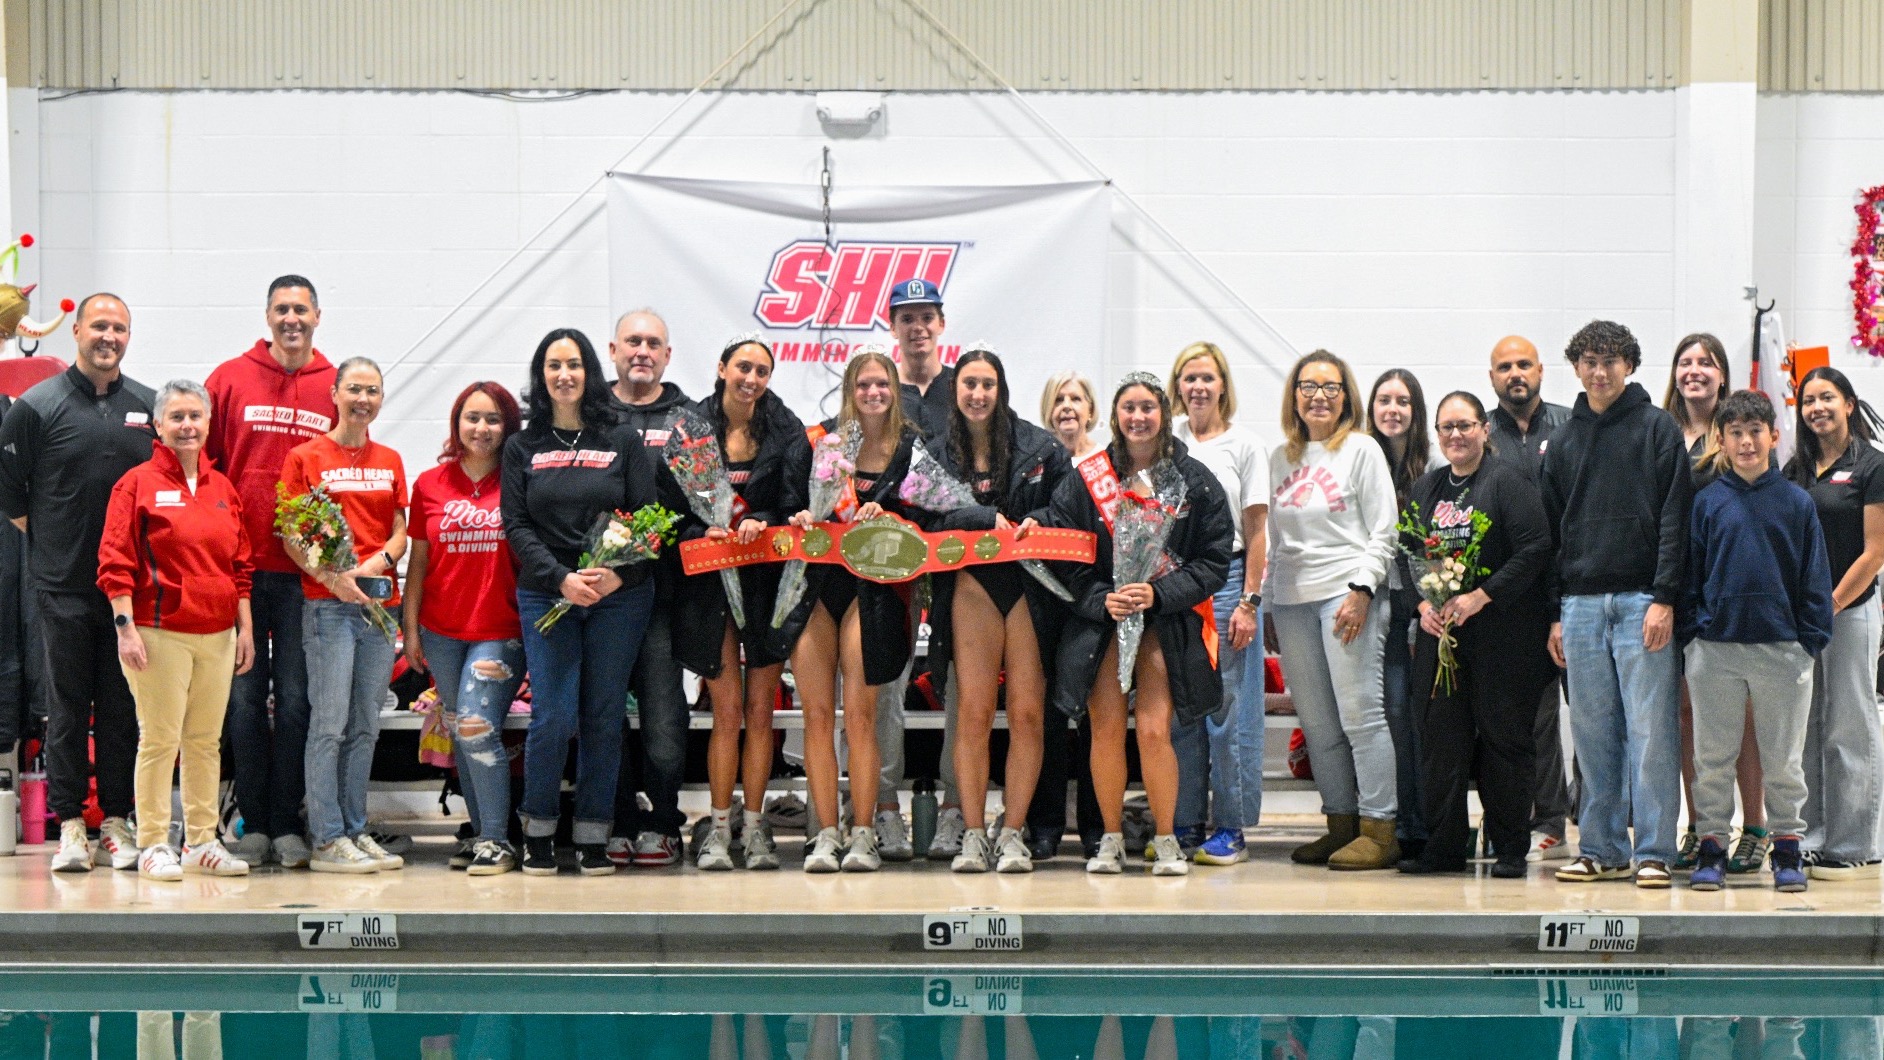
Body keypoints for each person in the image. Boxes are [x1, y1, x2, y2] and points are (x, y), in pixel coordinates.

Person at [1050, 372, 1233, 876]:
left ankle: (1167, 838)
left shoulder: (1194, 480)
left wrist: (1158, 594)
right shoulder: (1085, 478)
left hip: (1164, 623)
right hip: (1104, 623)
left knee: (1155, 731)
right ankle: (1110, 838)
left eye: (1148, 407)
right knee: (1105, 729)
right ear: (1114, 415)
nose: (1138, 417)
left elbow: (1214, 560)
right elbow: (1067, 554)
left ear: (1163, 413)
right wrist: (1098, 598)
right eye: (1129, 408)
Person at [0, 293, 155, 874]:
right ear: (78, 334)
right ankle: (69, 826)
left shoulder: (147, 407)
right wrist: (55, 543)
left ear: (128, 336)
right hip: (61, 587)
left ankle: (116, 821)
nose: (108, 336)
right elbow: (11, 494)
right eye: (98, 326)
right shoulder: (35, 408)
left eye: (119, 327)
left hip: (130, 594)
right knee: (66, 708)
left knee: (121, 709)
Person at [1542, 320, 1692, 889]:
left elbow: (1676, 518)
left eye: (1610, 361)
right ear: (1576, 368)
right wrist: (1556, 610)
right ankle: (1600, 847)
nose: (1599, 371)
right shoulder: (1564, 441)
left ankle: (1654, 849)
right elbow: (1554, 531)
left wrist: (1664, 598)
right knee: (1592, 731)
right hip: (1579, 606)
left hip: (1641, 602)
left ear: (1629, 366)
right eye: (1588, 361)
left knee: (1652, 730)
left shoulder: (1658, 429)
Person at [503, 329, 658, 876]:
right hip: (547, 594)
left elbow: (648, 520)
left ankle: (595, 834)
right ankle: (538, 831)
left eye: (573, 364)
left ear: (590, 370)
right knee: (553, 715)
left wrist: (620, 575)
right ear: (541, 376)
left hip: (618, 598)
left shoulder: (622, 439)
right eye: (553, 365)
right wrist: (561, 577)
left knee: (603, 715)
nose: (563, 374)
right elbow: (516, 527)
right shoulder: (523, 446)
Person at [98, 380, 256, 880]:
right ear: (159, 426)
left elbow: (241, 566)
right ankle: (151, 843)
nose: (188, 426)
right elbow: (114, 561)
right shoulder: (136, 483)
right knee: (160, 740)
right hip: (157, 631)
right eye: (177, 417)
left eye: (196, 417)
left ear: (209, 425)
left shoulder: (222, 488)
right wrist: (125, 627)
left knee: (205, 742)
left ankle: (201, 842)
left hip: (218, 634)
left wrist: (244, 630)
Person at [204, 275, 336, 869]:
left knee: (302, 701)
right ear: (267, 315)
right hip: (241, 577)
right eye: (281, 309)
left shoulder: (334, 385)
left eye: (300, 309)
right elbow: (201, 465)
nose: (291, 319)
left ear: (316, 316)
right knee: (244, 699)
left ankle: (288, 818)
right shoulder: (229, 379)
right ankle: (252, 820)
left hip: (307, 577)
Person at [1396, 392, 1553, 878]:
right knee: (1441, 743)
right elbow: (1407, 556)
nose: (1456, 436)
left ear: (1485, 429)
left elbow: (1534, 549)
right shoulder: (1425, 489)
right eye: (1447, 428)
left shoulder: (1509, 483)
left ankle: (1509, 847)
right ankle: (1445, 848)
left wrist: (1480, 596)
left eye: (1465, 426)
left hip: (1502, 639)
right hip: (1441, 639)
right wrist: (1424, 605)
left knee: (1504, 743)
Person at [1682, 389, 1833, 893]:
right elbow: (1691, 574)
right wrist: (1694, 635)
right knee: (1712, 758)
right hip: (1715, 650)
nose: (1746, 442)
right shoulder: (1706, 503)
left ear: (1773, 436)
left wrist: (1808, 640)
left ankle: (1786, 850)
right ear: (1721, 441)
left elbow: (1814, 576)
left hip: (1783, 650)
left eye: (1755, 432)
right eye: (1736, 433)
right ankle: (1711, 848)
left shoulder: (1796, 502)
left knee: (1784, 759)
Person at [668, 335, 810, 872]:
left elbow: (798, 508)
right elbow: (667, 511)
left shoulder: (787, 428)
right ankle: (718, 827)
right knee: (726, 712)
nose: (751, 378)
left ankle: (756, 829)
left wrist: (765, 521)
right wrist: (704, 527)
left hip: (767, 583)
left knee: (760, 711)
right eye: (743, 367)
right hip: (709, 585)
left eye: (762, 371)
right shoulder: (690, 430)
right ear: (722, 368)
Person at [927, 347, 1069, 874]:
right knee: (974, 714)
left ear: (1001, 389)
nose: (978, 394)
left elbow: (1066, 509)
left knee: (1029, 714)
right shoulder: (937, 451)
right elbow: (926, 519)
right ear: (954, 390)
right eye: (969, 384)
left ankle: (1011, 832)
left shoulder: (1041, 445)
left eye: (987, 384)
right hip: (972, 587)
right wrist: (986, 516)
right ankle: (970, 832)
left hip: (1029, 587)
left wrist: (1040, 522)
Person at [1266, 350, 1401, 871]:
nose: (1318, 395)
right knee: (1319, 725)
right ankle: (1340, 824)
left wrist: (1363, 590)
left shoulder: (1362, 450)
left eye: (1330, 386)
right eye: (1308, 386)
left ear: (1346, 396)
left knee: (1360, 717)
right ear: (1294, 395)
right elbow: (1275, 541)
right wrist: (1272, 604)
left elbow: (1384, 529)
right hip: (1294, 602)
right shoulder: (1281, 457)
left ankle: (1379, 827)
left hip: (1347, 597)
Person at [784, 349, 918, 872]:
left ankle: (862, 831)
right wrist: (798, 514)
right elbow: (789, 503)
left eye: (882, 384)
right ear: (849, 389)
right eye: (863, 384)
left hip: (875, 591)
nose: (873, 393)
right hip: (818, 586)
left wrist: (891, 514)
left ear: (894, 390)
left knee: (861, 718)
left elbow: (929, 515)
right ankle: (824, 832)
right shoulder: (822, 443)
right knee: (817, 717)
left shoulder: (910, 448)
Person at [280, 357, 408, 874]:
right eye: (354, 388)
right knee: (329, 725)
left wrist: (381, 560)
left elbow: (401, 530)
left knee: (364, 727)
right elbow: (291, 533)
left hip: (381, 607)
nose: (363, 398)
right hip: (328, 608)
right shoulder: (304, 457)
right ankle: (327, 838)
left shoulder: (391, 458)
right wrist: (334, 579)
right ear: (333, 393)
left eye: (372, 390)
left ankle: (356, 829)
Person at [404, 382, 526, 876]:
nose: (482, 428)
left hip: (502, 628)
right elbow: (418, 563)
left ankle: (498, 838)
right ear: (457, 424)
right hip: (441, 630)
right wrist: (411, 630)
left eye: (493, 419)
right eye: (472, 418)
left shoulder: (519, 481)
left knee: (477, 727)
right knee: (459, 732)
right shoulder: (430, 484)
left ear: (508, 426)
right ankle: (482, 834)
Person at [1660, 333, 1769, 875]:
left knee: (1740, 717)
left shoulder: (1734, 438)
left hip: (1725, 593)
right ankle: (1704, 826)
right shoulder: (1659, 432)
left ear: (1723, 374)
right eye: (1686, 362)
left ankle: (1754, 828)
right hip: (1672, 591)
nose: (1695, 370)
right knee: (1686, 715)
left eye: (1706, 362)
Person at [1168, 342, 1270, 866]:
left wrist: (1250, 601)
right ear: (1177, 386)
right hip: (1175, 586)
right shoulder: (1167, 443)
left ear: (1223, 385)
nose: (1198, 387)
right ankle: (1184, 820)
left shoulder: (1245, 446)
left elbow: (1256, 532)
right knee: (1182, 710)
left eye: (1207, 378)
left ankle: (1230, 826)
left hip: (1228, 581)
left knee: (1226, 711)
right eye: (1189, 378)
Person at [1784, 366, 1884, 880]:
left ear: (1849, 404)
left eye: (1827, 397)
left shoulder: (1871, 466)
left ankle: (1854, 841)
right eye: (1808, 400)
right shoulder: (1796, 469)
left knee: (1848, 722)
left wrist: (1831, 604)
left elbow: (1874, 552)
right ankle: (1811, 837)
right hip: (1804, 617)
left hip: (1852, 611)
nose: (1817, 407)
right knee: (1806, 726)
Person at [604, 308, 694, 869]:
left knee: (664, 718)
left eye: (652, 343)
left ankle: (662, 821)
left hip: (661, 597)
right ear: (612, 350)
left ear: (666, 355)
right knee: (603, 713)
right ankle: (612, 818)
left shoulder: (689, 421)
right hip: (602, 595)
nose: (642, 350)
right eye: (631, 341)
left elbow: (696, 503)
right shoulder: (589, 415)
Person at [1485, 334, 1575, 863]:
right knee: (1532, 717)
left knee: (1591, 711)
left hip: (1574, 584)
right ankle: (1546, 819)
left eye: (1523, 364)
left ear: (1541, 369)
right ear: (1491, 376)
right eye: (1504, 367)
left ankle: (1605, 818)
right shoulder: (1483, 432)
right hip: (1512, 596)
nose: (1515, 373)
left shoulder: (1570, 424)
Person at [1033, 371, 1106, 859]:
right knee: (1046, 714)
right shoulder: (1034, 460)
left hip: (1095, 601)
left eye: (1076, 398)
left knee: (1097, 717)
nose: (1067, 406)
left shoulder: (1107, 465)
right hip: (1042, 598)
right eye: (1058, 398)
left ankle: (1099, 825)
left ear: (1091, 409)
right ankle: (1044, 824)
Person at [1364, 367, 1431, 860]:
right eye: (1384, 399)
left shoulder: (1431, 472)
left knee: (1415, 717)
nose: (1393, 409)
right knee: (1387, 714)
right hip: (1370, 607)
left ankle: (1420, 824)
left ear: (1416, 410)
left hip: (1423, 611)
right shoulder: (1359, 462)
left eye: (1402, 401)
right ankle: (1392, 824)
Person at [889, 278, 954, 439]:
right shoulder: (881, 391)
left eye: (927, 318)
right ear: (893, 328)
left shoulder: (962, 387)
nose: (918, 327)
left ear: (941, 324)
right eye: (907, 319)